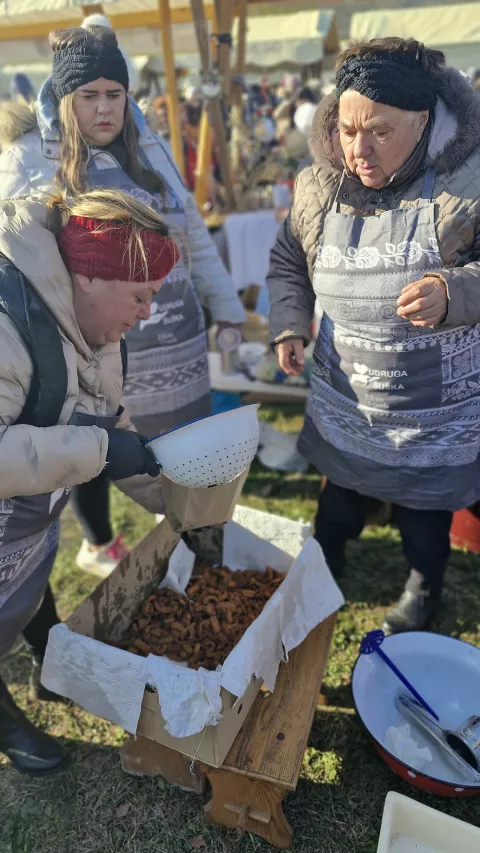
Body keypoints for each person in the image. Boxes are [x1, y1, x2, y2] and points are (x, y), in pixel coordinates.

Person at [0, 25, 245, 576]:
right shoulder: (32, 160)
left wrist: (224, 304)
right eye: (89, 96)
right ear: (64, 100)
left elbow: (192, 235)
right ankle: (100, 537)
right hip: (86, 344)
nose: (105, 110)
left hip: (170, 338)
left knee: (161, 449)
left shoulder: (150, 147)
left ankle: (190, 533)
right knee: (92, 437)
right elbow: (18, 251)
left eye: (116, 95)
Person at [268, 37, 480, 634]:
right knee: (338, 501)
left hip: (431, 408)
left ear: (423, 119)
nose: (358, 149)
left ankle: (423, 585)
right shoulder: (319, 185)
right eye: (347, 128)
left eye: (380, 132)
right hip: (349, 396)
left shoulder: (467, 183)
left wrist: (452, 291)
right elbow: (289, 259)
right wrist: (289, 321)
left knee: (423, 508)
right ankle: (324, 566)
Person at [0, 187, 179, 775]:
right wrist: (99, 451)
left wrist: (170, 493)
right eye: (141, 295)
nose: (147, 312)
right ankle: (6, 720)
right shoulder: (8, 331)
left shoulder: (94, 329)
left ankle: (54, 666)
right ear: (91, 278)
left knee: (30, 586)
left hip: (26, 525)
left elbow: (106, 417)